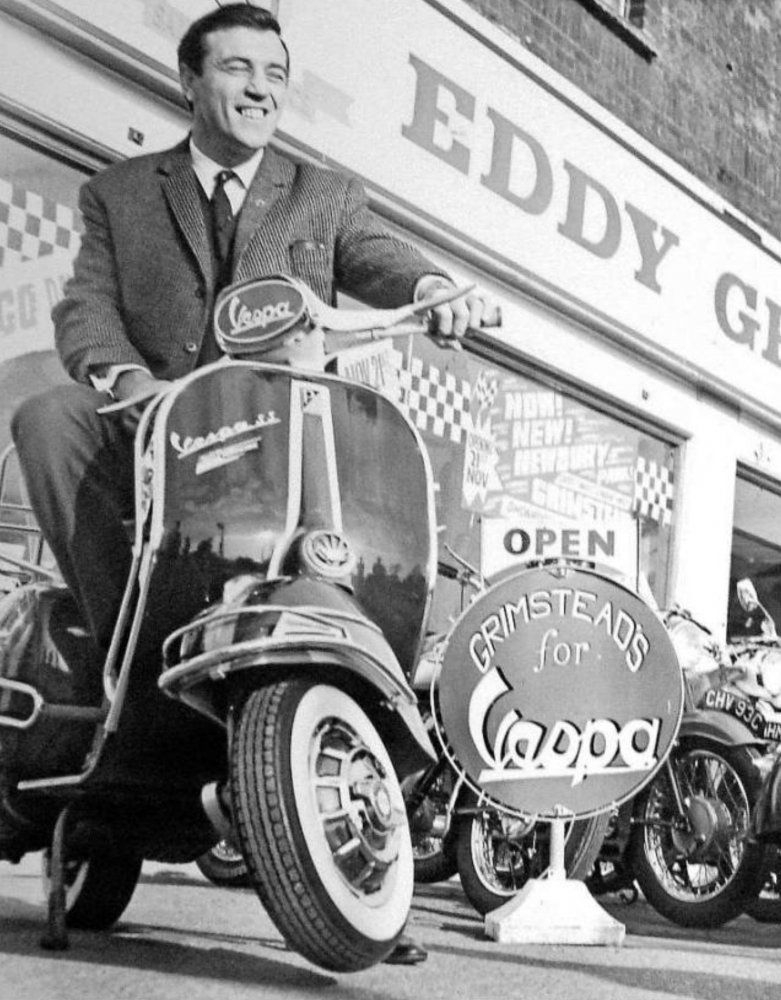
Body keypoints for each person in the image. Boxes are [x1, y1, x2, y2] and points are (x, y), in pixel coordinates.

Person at [11, 3, 498, 966]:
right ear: (189, 81)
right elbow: (86, 308)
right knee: (48, 419)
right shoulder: (120, 192)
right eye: (236, 67)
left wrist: (439, 292)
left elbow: (385, 263)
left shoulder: (322, 195)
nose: (260, 85)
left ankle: (357, 808)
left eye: (275, 70)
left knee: (354, 546)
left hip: (277, 437)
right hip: (160, 428)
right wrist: (129, 383)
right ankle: (129, 656)